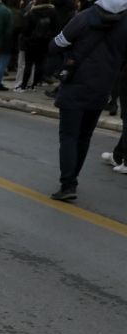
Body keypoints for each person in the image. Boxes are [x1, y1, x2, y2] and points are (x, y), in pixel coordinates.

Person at [48, 0, 127, 199]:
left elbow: (56, 45)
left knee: (69, 136)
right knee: (84, 137)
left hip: (75, 84)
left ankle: (68, 184)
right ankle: (72, 179)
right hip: (102, 88)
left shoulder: (85, 16)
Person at [17, 0, 58, 88]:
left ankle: (24, 84)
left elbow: (26, 29)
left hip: (31, 41)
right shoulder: (52, 12)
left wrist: (26, 37)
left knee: (28, 63)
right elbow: (54, 26)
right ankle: (35, 84)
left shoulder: (32, 12)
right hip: (45, 41)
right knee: (40, 63)